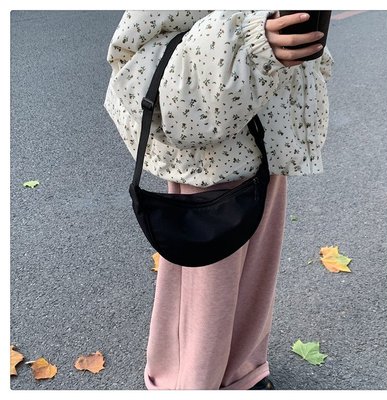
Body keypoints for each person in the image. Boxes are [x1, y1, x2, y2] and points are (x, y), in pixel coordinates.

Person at [104, 10, 333, 390]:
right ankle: (190, 383)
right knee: (208, 291)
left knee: (255, 279)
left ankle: (240, 371)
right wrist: (251, 42)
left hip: (268, 140)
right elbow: (134, 55)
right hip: (211, 155)